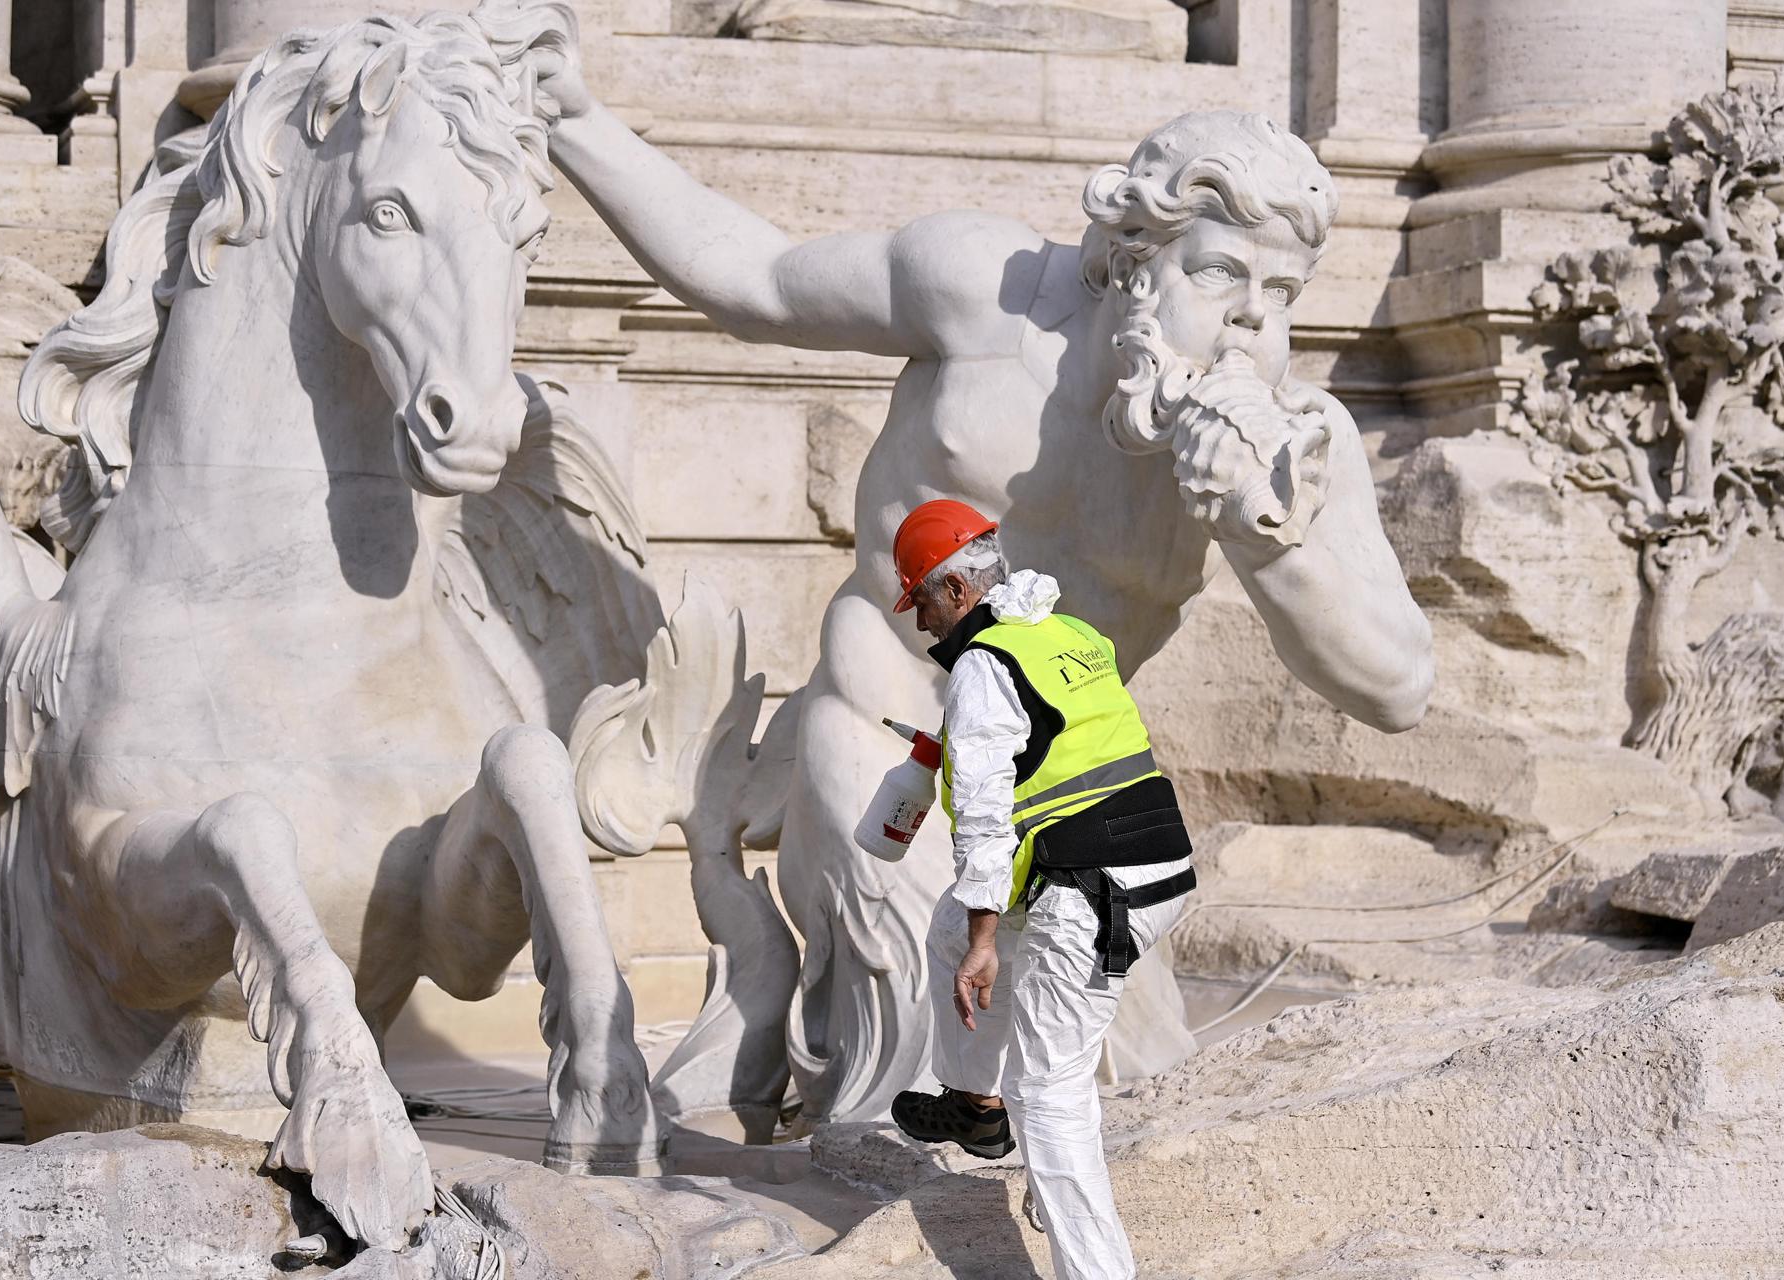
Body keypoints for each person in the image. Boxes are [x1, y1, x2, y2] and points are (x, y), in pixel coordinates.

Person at [532, 50, 1435, 1128]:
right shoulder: (985, 293)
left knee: (1112, 1099)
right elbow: (755, 282)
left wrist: (1266, 531)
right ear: (1131, 262)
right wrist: (573, 121)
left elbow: (1397, 686)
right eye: (1219, 274)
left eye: (1281, 291)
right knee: (929, 1083)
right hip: (886, 732)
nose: (1251, 322)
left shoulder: (1291, 442)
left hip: (1056, 793)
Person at [885, 497, 1193, 1280]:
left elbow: (985, 823)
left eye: (920, 599)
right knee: (955, 924)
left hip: (1095, 887)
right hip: (1149, 863)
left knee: (1047, 1092)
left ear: (956, 593)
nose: (919, 623)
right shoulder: (1068, 633)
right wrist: (978, 931)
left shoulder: (985, 667)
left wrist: (989, 946)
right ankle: (975, 1110)